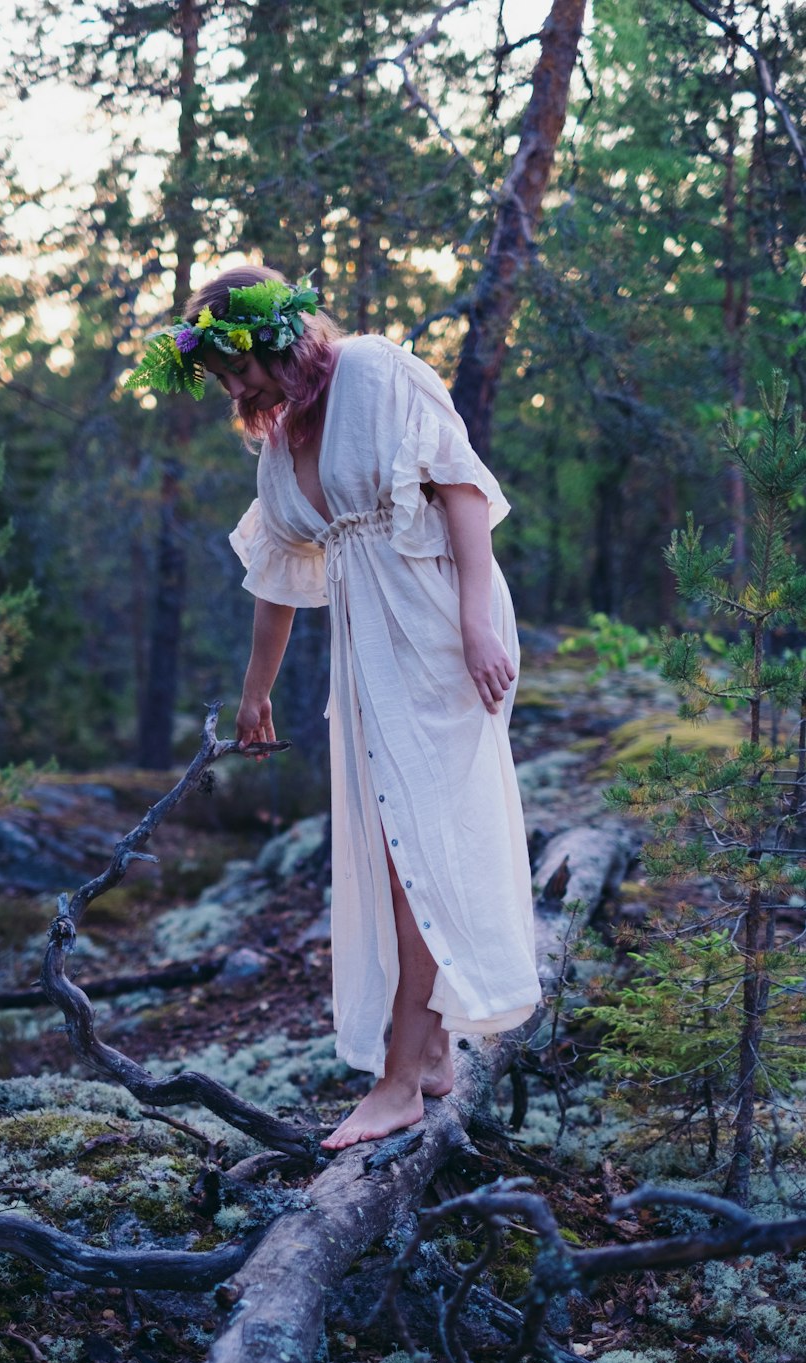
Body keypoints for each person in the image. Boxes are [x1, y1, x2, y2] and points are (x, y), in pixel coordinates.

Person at [130, 265, 541, 1150]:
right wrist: (255, 689)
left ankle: (401, 1078)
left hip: (436, 622)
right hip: (369, 649)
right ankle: (429, 1055)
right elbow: (278, 573)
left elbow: (461, 488)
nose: (241, 391)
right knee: (401, 841)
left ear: (285, 337)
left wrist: (476, 618)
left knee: (419, 844)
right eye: (225, 379)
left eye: (246, 367)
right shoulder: (282, 444)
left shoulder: (377, 371)